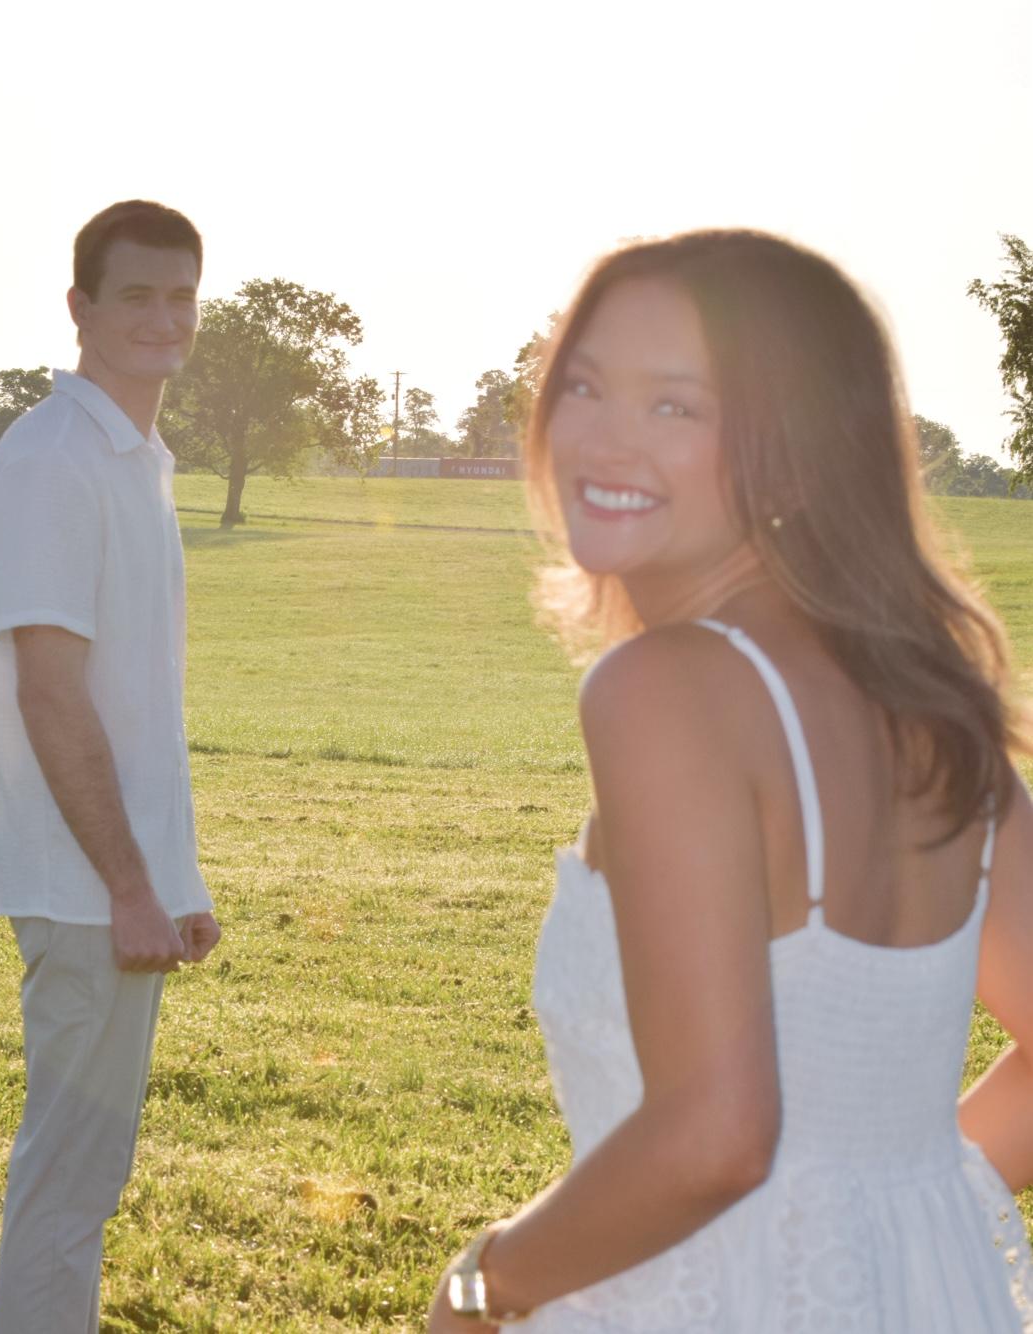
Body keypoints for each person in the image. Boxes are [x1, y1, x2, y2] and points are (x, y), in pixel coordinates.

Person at [430, 230, 1033, 1331]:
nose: (604, 437)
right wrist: (888, 1208)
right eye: (583, 385)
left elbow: (716, 1135)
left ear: (796, 453)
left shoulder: (663, 687)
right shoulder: (933, 705)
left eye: (675, 405)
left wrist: (481, 1282)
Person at [0, 199, 221, 1334]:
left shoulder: (135, 457)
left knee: (84, 1180)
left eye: (181, 296)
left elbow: (136, 702)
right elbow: (51, 695)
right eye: (137, 296)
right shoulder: (55, 461)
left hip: (115, 884)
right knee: (68, 1186)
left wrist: (172, 878)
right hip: (82, 890)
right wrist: (127, 886)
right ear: (80, 307)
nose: (164, 319)